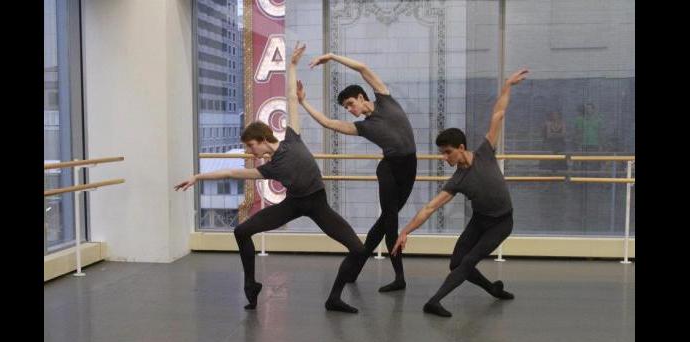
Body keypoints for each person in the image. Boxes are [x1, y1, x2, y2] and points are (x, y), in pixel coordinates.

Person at [175, 42, 364, 313]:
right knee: (241, 231)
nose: (250, 151)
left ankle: (334, 297)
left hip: (317, 204)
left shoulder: (292, 138)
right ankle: (251, 285)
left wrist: (293, 64)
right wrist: (198, 176)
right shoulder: (269, 168)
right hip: (293, 204)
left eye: (252, 146)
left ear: (263, 139)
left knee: (357, 249)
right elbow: (231, 171)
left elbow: (290, 98)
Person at [391, 69, 529, 317]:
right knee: (457, 263)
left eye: (447, 152)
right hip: (480, 221)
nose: (444, 158)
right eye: (442, 153)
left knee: (467, 262)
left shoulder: (485, 152)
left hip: (501, 223)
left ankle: (434, 301)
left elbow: (498, 114)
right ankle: (493, 289)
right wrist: (405, 231)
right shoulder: (457, 180)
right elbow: (430, 208)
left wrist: (507, 84)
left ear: (461, 148)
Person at [297, 52, 417, 292]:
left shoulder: (385, 100)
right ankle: (399, 277)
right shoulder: (362, 128)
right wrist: (303, 103)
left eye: (351, 104)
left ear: (362, 97)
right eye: (346, 108)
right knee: (390, 222)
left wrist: (331, 56)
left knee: (382, 224)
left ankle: (355, 266)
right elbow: (328, 123)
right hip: (389, 170)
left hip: (409, 167)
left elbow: (363, 67)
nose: (350, 110)